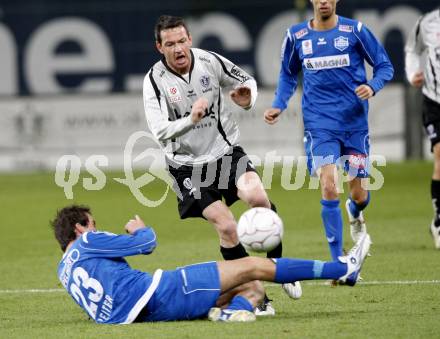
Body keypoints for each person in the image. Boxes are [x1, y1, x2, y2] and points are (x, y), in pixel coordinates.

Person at [143, 14, 300, 313]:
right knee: (227, 227)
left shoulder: (209, 61)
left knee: (258, 198)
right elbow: (159, 131)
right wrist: (191, 120)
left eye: (181, 41)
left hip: (226, 153)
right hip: (187, 166)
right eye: (170, 44)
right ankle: (257, 296)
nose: (178, 49)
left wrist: (247, 99)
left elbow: (247, 82)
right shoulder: (153, 81)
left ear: (189, 39)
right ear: (159, 47)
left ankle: (278, 267)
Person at [52, 205, 371, 324]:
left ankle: (233, 311)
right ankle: (342, 269)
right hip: (159, 293)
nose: (96, 228)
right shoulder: (88, 241)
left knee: (253, 288)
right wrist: (140, 229)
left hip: (133, 314)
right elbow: (146, 244)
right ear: (80, 228)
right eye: (92, 223)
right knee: (252, 265)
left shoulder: (64, 270)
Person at [263, 0, 394, 281]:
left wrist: (372, 86)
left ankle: (355, 209)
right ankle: (339, 264)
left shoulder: (355, 30)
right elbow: (288, 74)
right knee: (329, 185)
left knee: (358, 193)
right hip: (319, 126)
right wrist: (279, 103)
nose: (323, 1)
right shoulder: (296, 36)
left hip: (354, 125)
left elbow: (384, 66)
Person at [405, 7, 440, 249]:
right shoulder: (427, 22)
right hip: (434, 100)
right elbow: (412, 50)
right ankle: (439, 221)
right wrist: (411, 73)